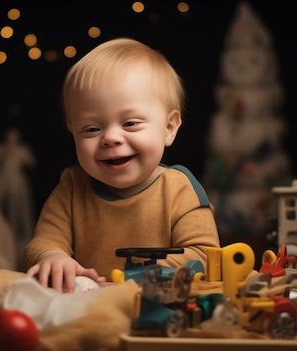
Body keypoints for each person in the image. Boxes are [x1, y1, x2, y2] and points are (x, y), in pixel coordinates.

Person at [23, 37, 221, 292]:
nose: (111, 138)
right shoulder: (72, 187)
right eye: (92, 129)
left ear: (169, 128)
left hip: (158, 304)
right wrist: (51, 257)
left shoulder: (179, 189)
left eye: (130, 123)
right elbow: (42, 242)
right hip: (88, 309)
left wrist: (136, 279)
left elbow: (204, 256)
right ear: (73, 133)